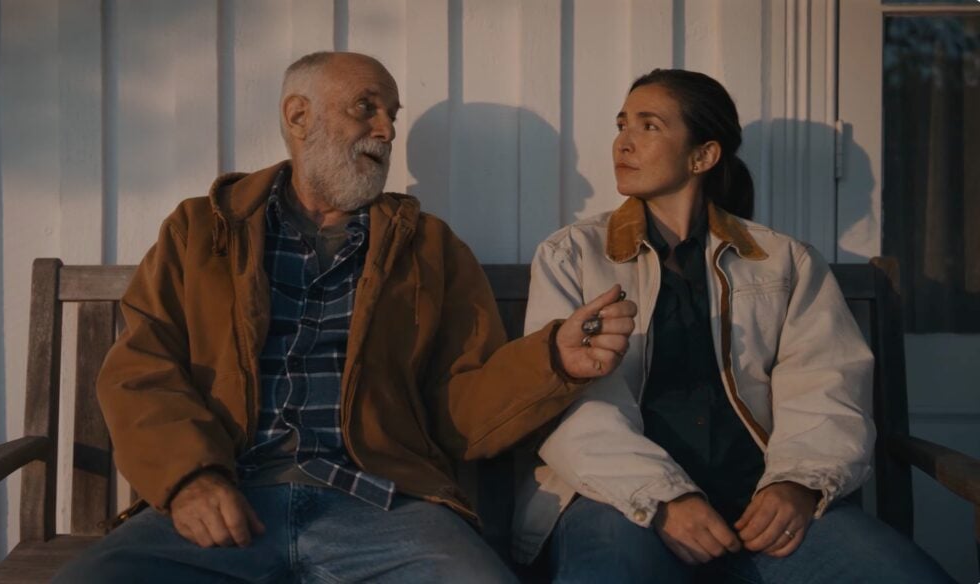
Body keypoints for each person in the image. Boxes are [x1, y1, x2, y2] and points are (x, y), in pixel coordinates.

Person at [54, 51, 636, 583]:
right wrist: (188, 478)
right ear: (298, 116)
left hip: (384, 505)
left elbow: (461, 407)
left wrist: (552, 360)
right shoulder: (201, 231)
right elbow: (141, 369)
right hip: (225, 496)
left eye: (391, 114)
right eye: (367, 108)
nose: (385, 129)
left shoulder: (430, 249)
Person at [512, 68, 954, 583]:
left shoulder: (784, 261)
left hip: (758, 507)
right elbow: (569, 405)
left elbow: (827, 388)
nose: (623, 142)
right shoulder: (572, 255)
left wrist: (797, 485)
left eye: (649, 126)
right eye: (621, 123)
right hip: (621, 501)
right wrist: (665, 497)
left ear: (703, 156)